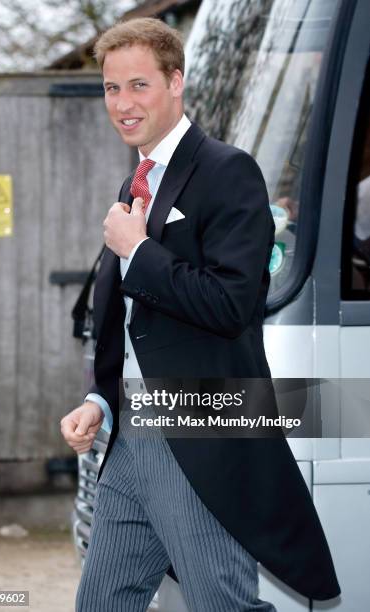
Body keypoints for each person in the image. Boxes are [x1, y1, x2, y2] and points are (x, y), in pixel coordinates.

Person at [60, 17, 340, 611]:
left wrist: (137, 250)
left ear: (176, 81)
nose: (123, 103)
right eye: (112, 88)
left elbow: (231, 303)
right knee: (102, 601)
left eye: (139, 85)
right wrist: (101, 399)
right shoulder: (137, 180)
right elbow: (132, 322)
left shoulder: (227, 171)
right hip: (133, 433)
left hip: (194, 421)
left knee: (222, 603)